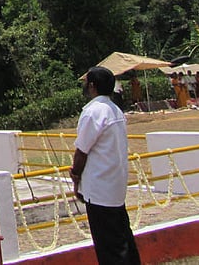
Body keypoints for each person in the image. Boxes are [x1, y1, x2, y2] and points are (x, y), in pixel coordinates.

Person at [71, 66, 141, 265]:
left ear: (92, 86)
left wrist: (75, 175)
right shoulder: (114, 110)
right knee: (123, 242)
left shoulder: (93, 111)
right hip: (115, 186)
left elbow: (82, 150)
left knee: (110, 248)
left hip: (100, 189)